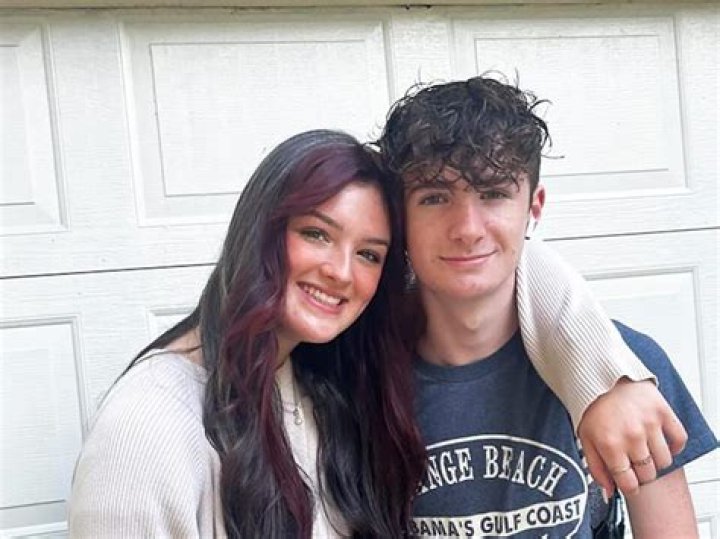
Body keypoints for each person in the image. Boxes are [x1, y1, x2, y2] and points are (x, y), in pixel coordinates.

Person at [69, 128, 686, 538]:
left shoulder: (326, 376)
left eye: (368, 253)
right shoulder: (151, 426)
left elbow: (492, 257)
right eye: (315, 233)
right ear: (260, 228)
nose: (341, 272)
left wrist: (605, 371)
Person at [377, 76, 718, 537]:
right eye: (435, 197)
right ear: (400, 216)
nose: (467, 229)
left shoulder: (628, 367)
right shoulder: (362, 378)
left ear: (533, 207)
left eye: (493, 193)